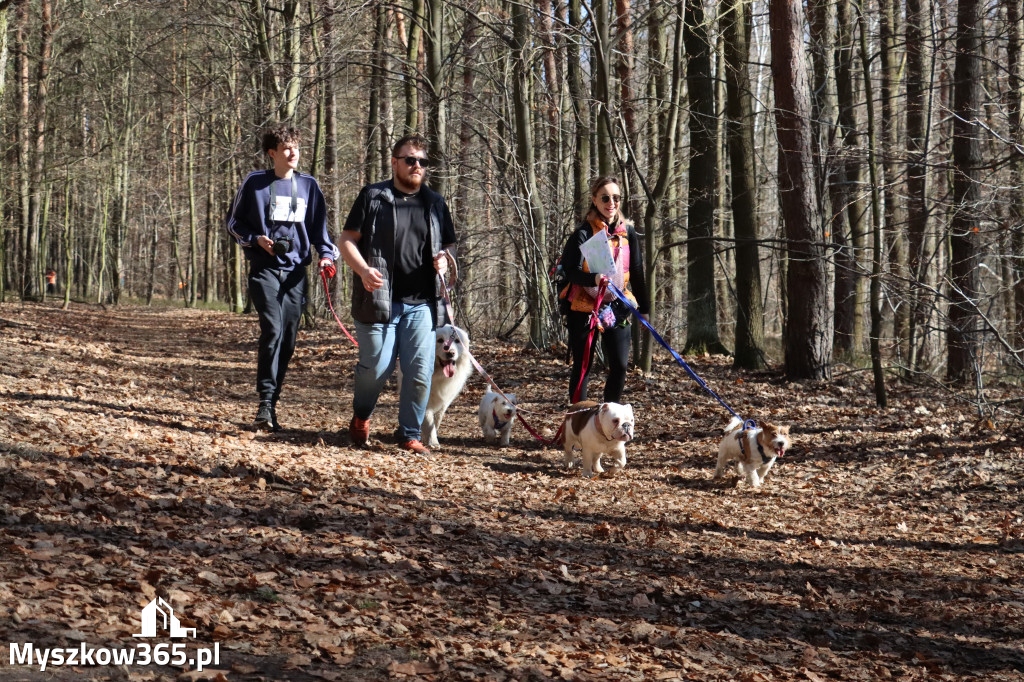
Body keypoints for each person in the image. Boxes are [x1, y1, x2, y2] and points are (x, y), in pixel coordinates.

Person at [338, 134, 456, 455]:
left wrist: (445, 259)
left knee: (419, 371)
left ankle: (409, 434)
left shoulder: (435, 203)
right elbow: (347, 240)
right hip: (379, 300)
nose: (417, 165)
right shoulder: (373, 196)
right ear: (394, 162)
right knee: (377, 368)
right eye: (410, 160)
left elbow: (449, 245)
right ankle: (362, 415)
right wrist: (363, 270)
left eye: (422, 161)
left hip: (423, 303)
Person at [227, 124, 338, 432]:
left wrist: (326, 256)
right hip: (264, 269)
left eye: (296, 147)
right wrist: (255, 239)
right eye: (286, 148)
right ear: (272, 153)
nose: (293, 153)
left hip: (295, 273)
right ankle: (264, 401)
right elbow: (233, 223)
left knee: (288, 338)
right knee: (273, 329)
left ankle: (272, 403)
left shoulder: (309, 185)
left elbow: (321, 232)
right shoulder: (255, 182)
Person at [558, 176, 650, 404]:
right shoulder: (582, 233)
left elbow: (637, 271)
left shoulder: (628, 232)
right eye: (605, 198)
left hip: (617, 305)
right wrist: (594, 278)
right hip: (583, 307)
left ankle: (610, 417)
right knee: (583, 366)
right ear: (594, 200)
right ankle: (579, 417)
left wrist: (644, 309)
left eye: (616, 198)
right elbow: (570, 271)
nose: (611, 203)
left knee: (619, 365)